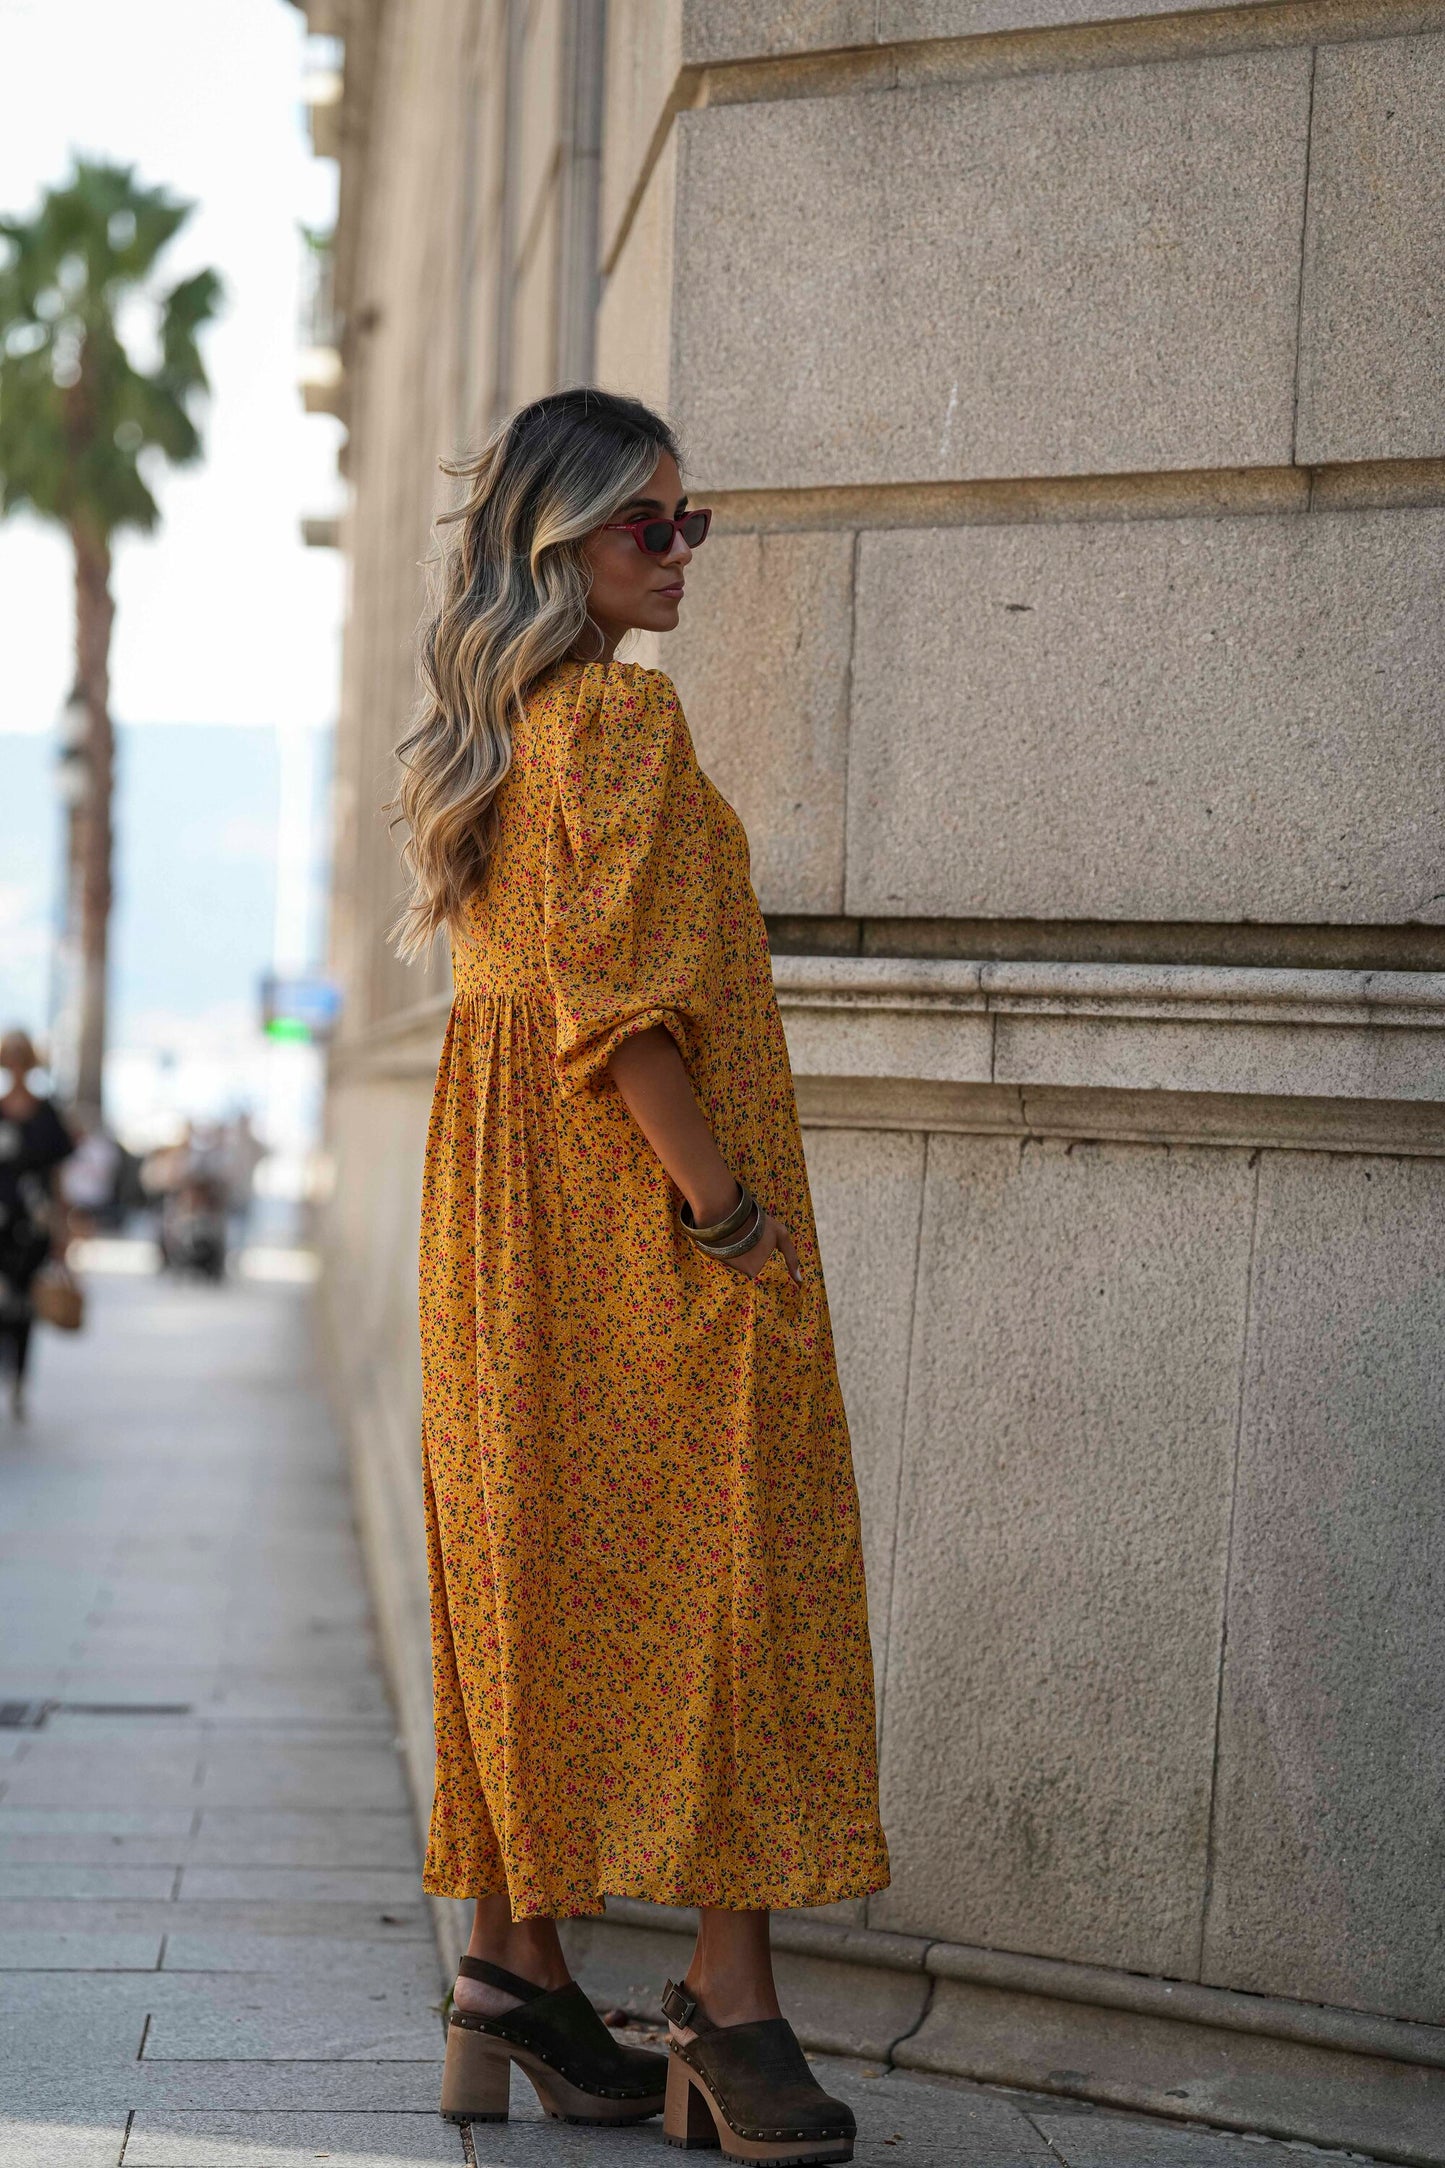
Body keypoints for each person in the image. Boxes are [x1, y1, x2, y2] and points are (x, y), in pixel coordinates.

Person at [391, 390, 889, 2163]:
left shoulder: (489, 734)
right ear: (557, 548)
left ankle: (512, 1977)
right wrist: (730, 1213)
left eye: (691, 523)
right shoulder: (612, 716)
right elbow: (621, 1020)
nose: (678, 557)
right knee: (733, 1592)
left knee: (543, 1589)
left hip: (498, 1245)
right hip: (632, 1231)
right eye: (642, 530)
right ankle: (730, 2010)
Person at [0, 1030, 75, 1420]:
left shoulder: (47, 1114)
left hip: (35, 1223)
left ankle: (19, 1379)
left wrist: (64, 1229)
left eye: (19, 1055)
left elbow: (59, 1175)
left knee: (26, 1304)